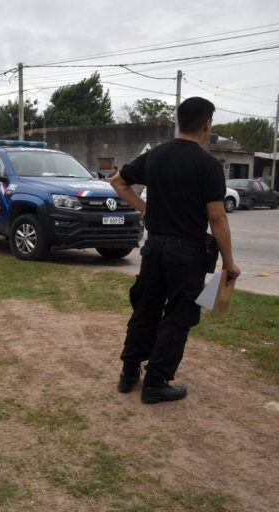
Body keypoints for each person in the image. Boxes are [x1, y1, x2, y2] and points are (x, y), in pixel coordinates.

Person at [110, 97, 240, 404]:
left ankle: (129, 374)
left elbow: (118, 182)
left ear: (180, 121)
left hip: (154, 247)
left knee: (146, 308)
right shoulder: (207, 165)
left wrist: (146, 209)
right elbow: (217, 217)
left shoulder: (155, 156)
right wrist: (230, 263)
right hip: (186, 252)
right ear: (206, 125)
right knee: (178, 317)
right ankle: (156, 383)